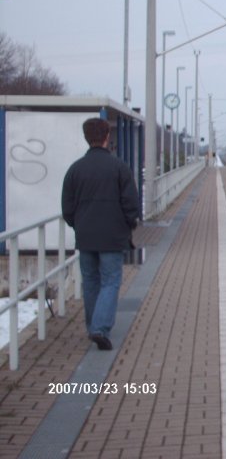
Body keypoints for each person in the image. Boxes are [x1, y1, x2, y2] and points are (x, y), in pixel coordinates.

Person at [61, 118, 139, 351]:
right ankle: (100, 328)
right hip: (113, 237)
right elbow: (131, 204)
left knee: (91, 282)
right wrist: (127, 225)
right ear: (107, 138)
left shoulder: (75, 169)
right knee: (111, 281)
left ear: (87, 138)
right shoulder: (119, 168)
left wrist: (79, 225)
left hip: (86, 237)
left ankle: (92, 325)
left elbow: (67, 208)